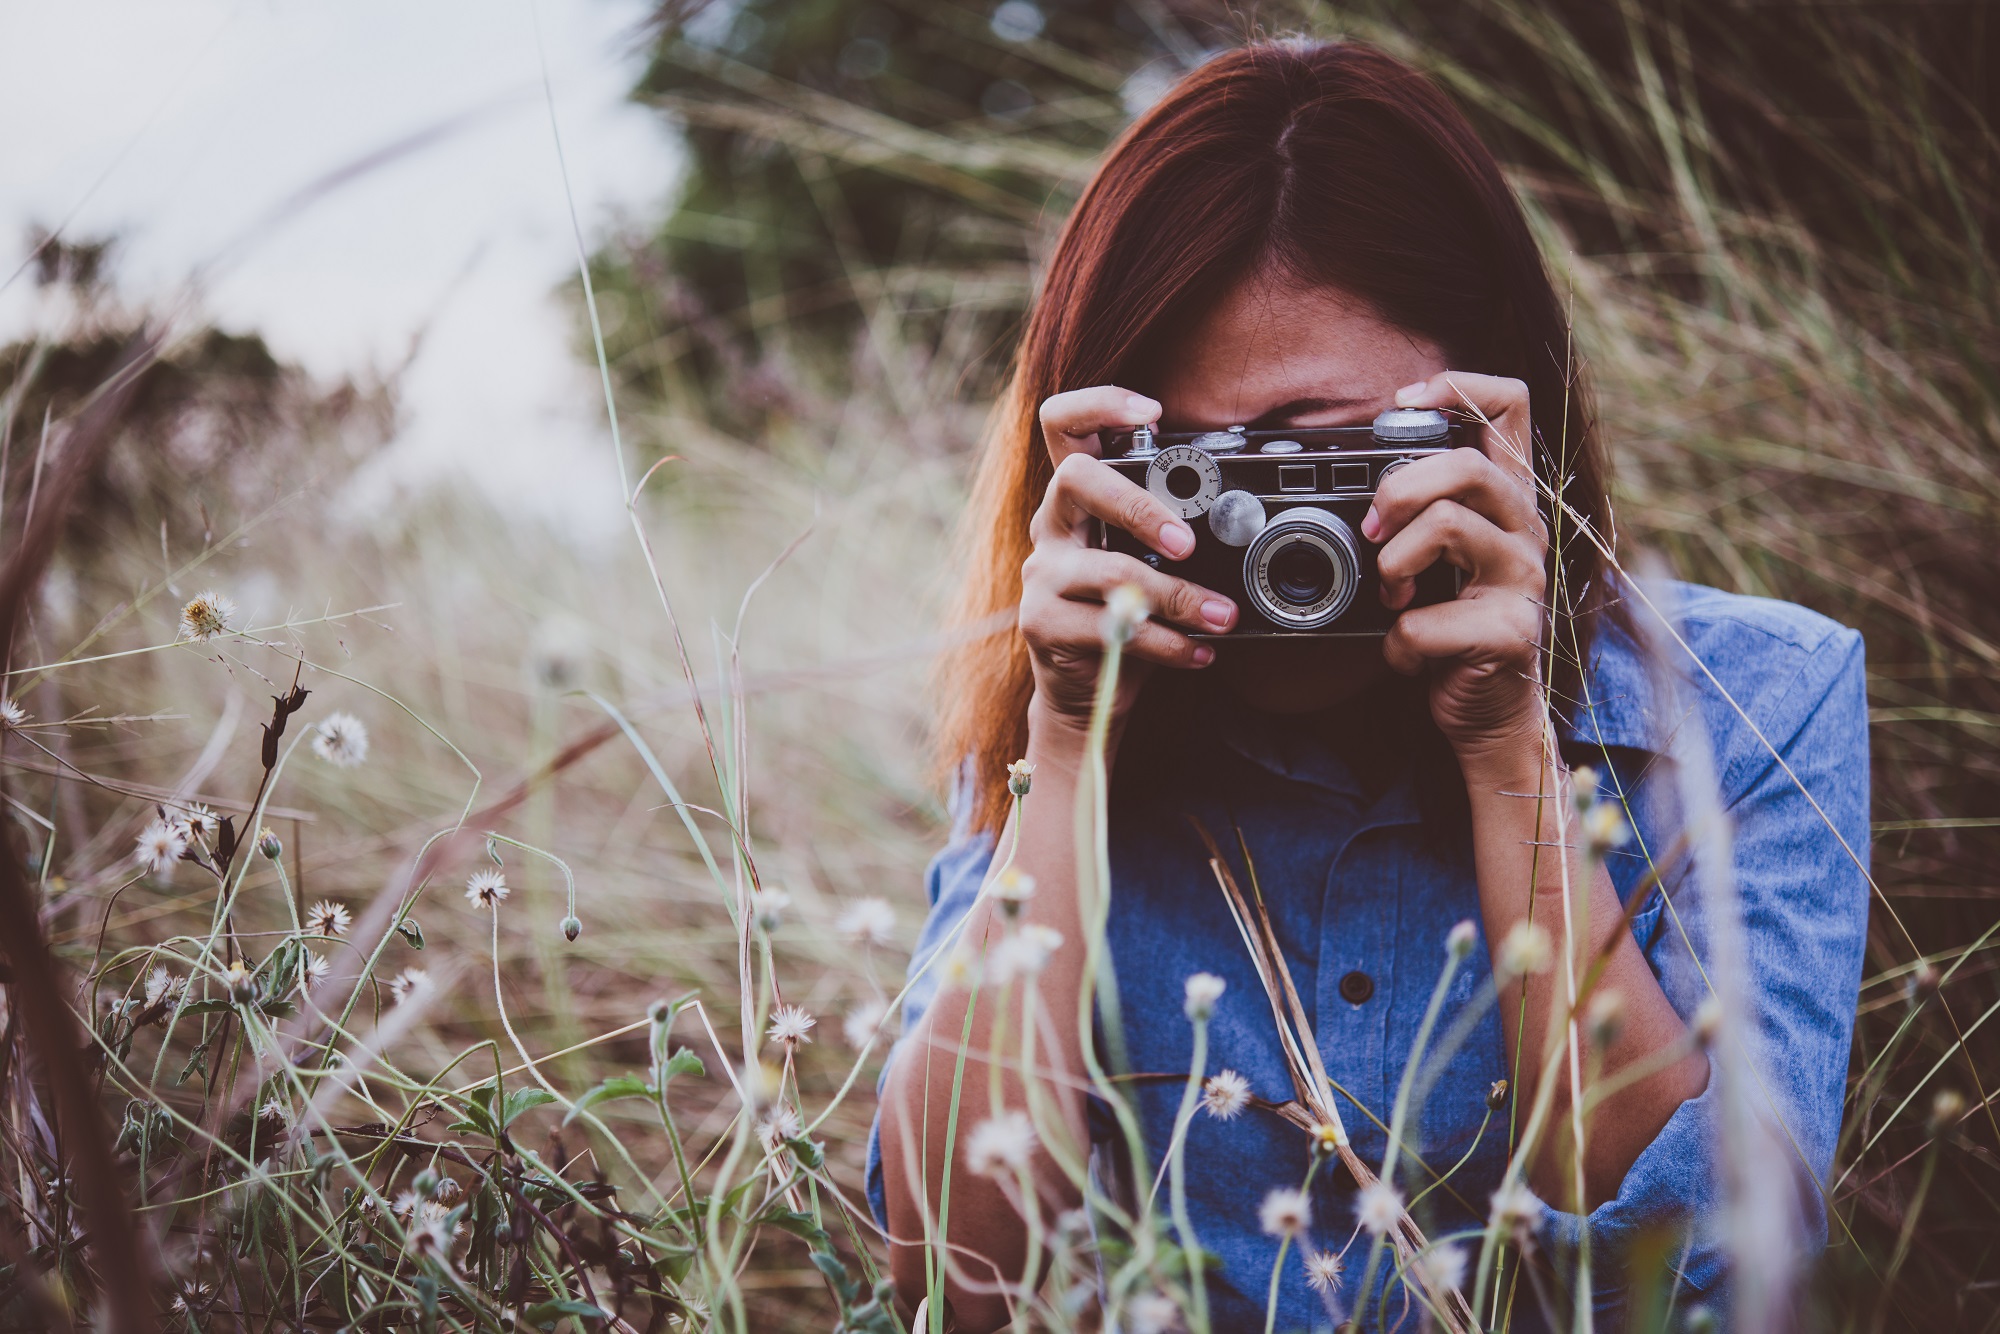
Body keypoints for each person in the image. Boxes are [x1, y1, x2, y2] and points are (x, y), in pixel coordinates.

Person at [867, 39, 1869, 1333]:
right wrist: (1062, 749)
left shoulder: (1753, 704)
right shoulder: (1069, 702)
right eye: (1198, 476)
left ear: (1500, 421)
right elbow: (953, 1285)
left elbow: (1722, 1294)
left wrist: (1513, 752)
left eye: (1326, 463)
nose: (1278, 544)